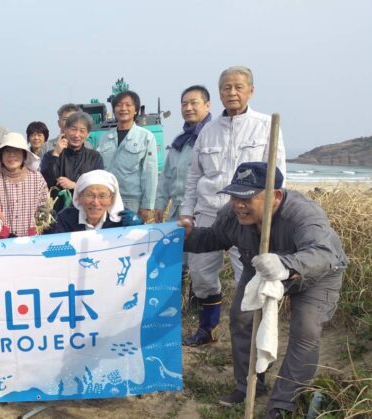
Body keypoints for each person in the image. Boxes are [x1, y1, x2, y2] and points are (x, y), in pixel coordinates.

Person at [180, 162, 345, 419]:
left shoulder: (303, 215)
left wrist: (286, 264)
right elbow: (213, 238)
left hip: (314, 277)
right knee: (242, 318)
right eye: (235, 197)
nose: (239, 205)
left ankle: (283, 406)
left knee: (305, 329)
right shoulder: (232, 216)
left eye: (247, 198)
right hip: (259, 270)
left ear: (275, 197)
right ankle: (249, 386)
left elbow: (324, 253)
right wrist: (187, 237)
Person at [179, 66, 287, 346]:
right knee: (201, 274)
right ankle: (207, 330)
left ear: (251, 90)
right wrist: (186, 213)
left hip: (247, 216)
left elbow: (278, 176)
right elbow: (194, 176)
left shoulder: (266, 126)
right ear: (219, 93)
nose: (232, 92)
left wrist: (270, 217)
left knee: (248, 277)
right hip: (208, 212)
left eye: (239, 87)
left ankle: (249, 339)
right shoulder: (208, 131)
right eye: (226, 87)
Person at [96, 90, 159, 222]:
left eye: (128, 105)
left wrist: (147, 206)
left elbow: (150, 174)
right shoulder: (104, 138)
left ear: (136, 110)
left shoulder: (146, 137)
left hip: (132, 202)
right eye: (119, 105)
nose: (123, 108)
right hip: (106, 201)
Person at [154, 86, 212, 223]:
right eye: (184, 104)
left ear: (207, 106)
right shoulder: (180, 140)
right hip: (177, 211)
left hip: (203, 211)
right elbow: (167, 176)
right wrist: (160, 204)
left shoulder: (214, 137)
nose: (188, 108)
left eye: (194, 103)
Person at [0, 132, 49, 238]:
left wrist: (37, 229)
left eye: (16, 151)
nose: (12, 155)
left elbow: (45, 207)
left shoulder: (37, 178)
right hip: (1, 242)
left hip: (32, 241)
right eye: (7, 151)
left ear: (24, 155)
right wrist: (2, 233)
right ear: (1, 156)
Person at [41, 111, 104, 211]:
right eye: (73, 129)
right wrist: (56, 154)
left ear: (87, 134)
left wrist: (75, 185)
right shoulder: (50, 155)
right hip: (57, 212)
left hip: (86, 211)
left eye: (82, 131)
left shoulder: (94, 157)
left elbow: (99, 185)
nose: (77, 135)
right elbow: (45, 182)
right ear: (65, 130)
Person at [46, 170, 143, 233]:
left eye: (102, 196)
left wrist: (138, 229)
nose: (96, 202)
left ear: (111, 199)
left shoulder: (123, 221)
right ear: (79, 197)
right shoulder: (64, 219)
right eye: (89, 195)